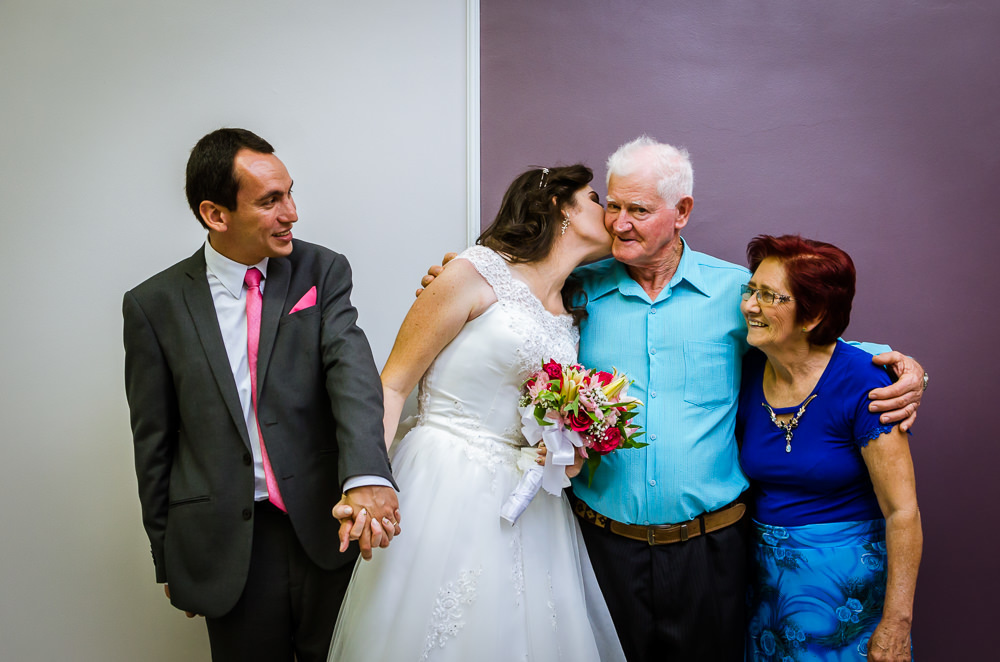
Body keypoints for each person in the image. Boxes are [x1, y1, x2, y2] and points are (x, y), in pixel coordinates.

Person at [418, 136, 925, 661]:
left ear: (681, 211)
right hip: (600, 545)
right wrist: (452, 279)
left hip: (713, 549)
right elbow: (508, 304)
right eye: (612, 205)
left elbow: (807, 341)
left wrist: (901, 365)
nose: (618, 222)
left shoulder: (736, 293)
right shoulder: (575, 289)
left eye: (637, 210)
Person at [122, 128, 399, 662]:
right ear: (215, 214)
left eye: (290, 193)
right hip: (227, 546)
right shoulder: (153, 305)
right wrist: (168, 556)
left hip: (326, 527)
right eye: (271, 201)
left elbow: (353, 377)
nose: (291, 212)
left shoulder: (323, 270)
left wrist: (366, 474)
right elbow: (152, 442)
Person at [328, 165, 626, 661]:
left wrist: (564, 448)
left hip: (531, 501)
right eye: (597, 199)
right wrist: (364, 482)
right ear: (560, 206)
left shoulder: (569, 308)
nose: (611, 214)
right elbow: (394, 385)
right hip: (446, 478)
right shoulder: (473, 271)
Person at [737, 235, 920, 661]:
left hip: (848, 594)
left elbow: (903, 512)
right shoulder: (748, 370)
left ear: (813, 314)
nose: (749, 305)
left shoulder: (865, 383)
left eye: (768, 296)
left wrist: (896, 621)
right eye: (751, 291)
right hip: (770, 590)